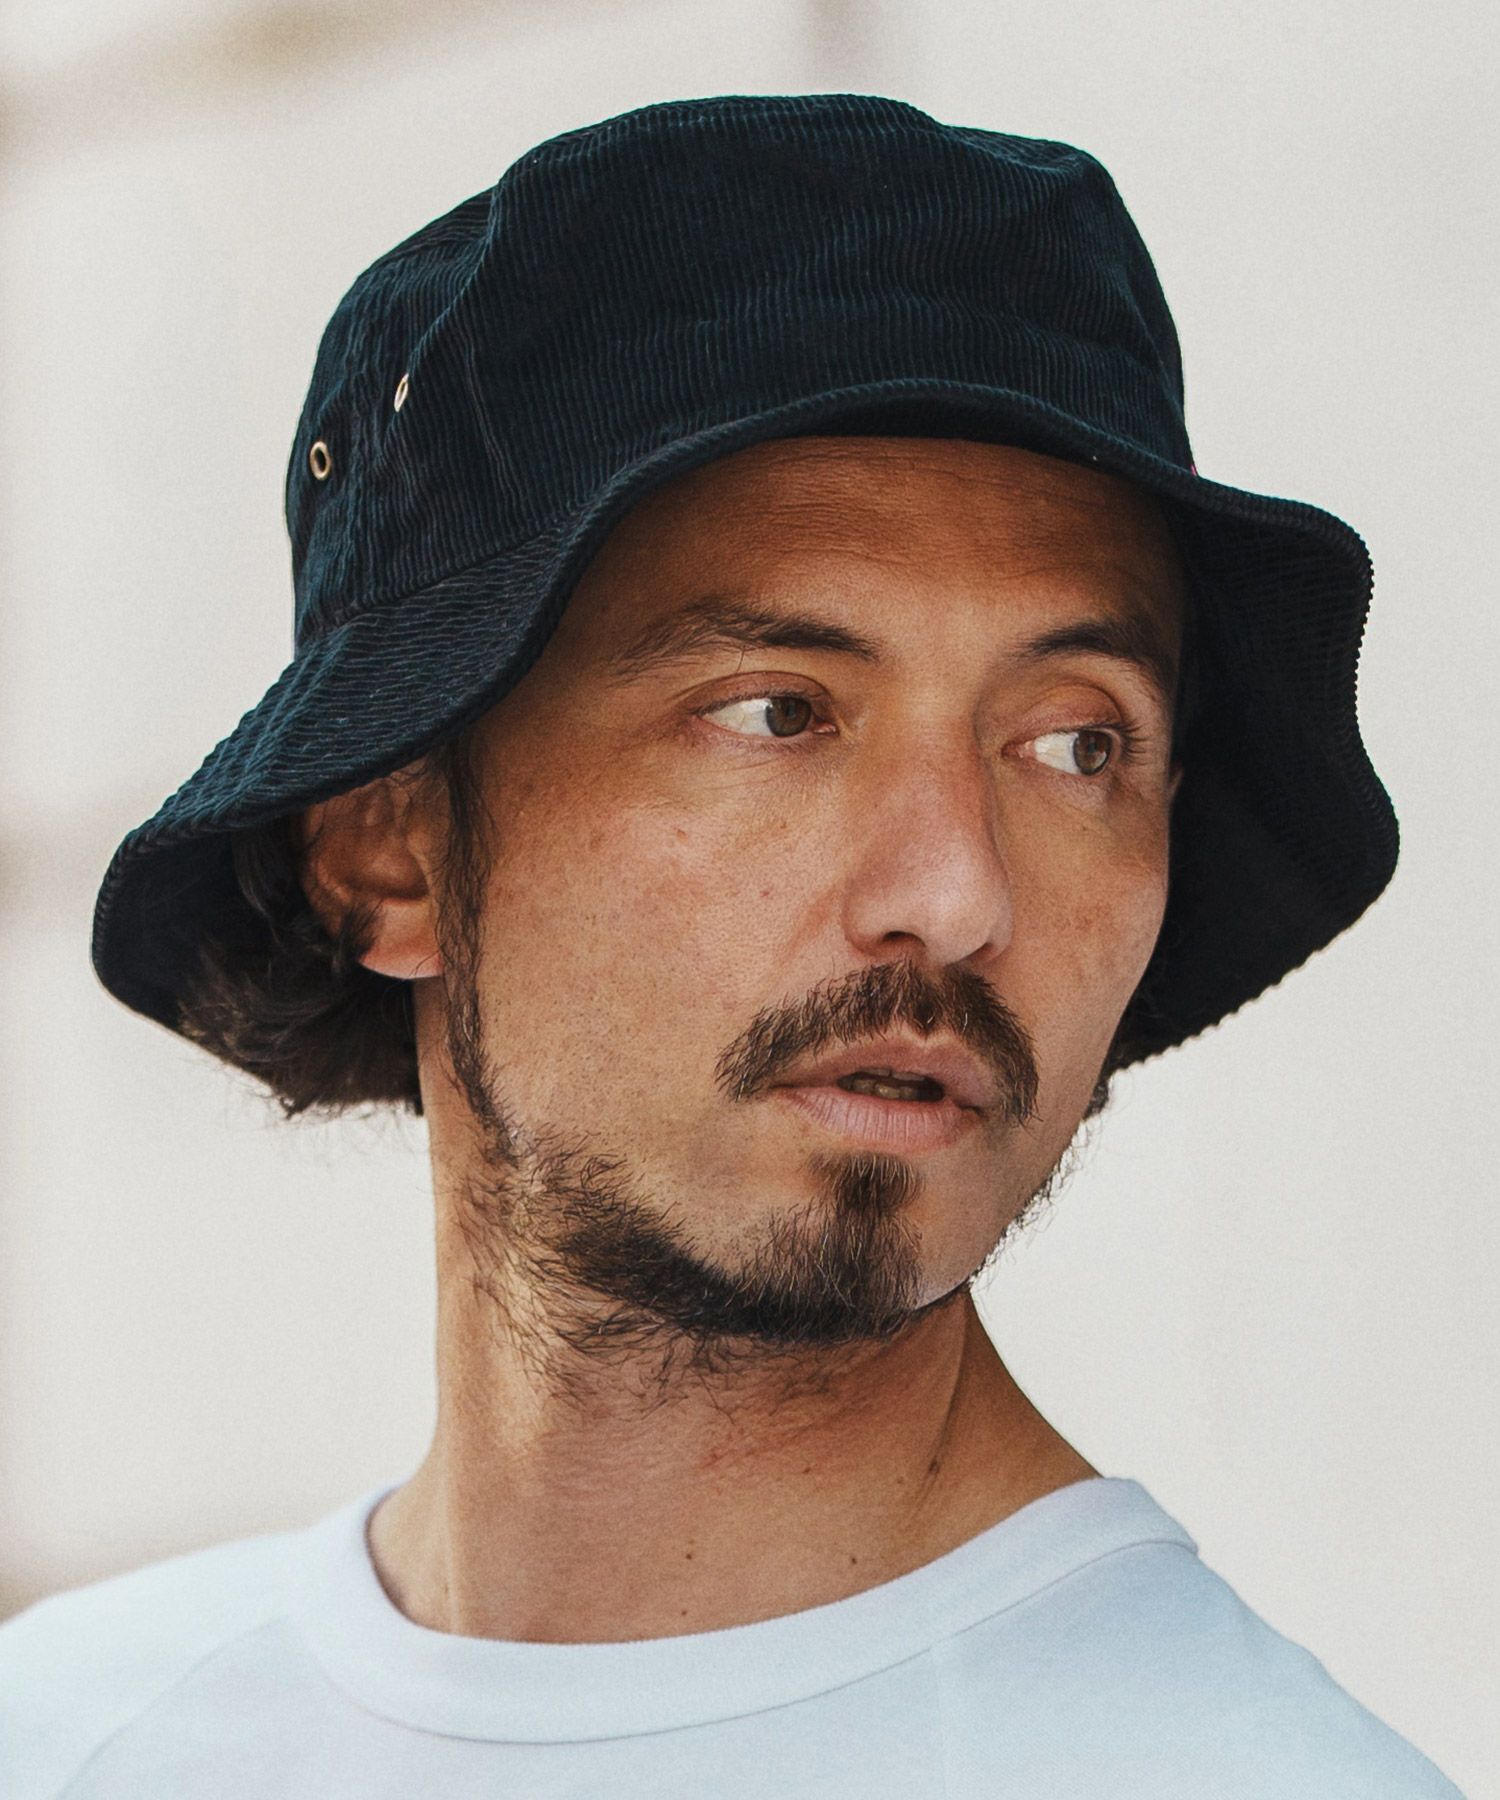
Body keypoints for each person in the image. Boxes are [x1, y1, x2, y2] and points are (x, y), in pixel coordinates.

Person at [1, 93, 1465, 1796]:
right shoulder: (75, 1738)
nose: (957, 894)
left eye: (1077, 744)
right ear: (386, 847)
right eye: (779, 712)